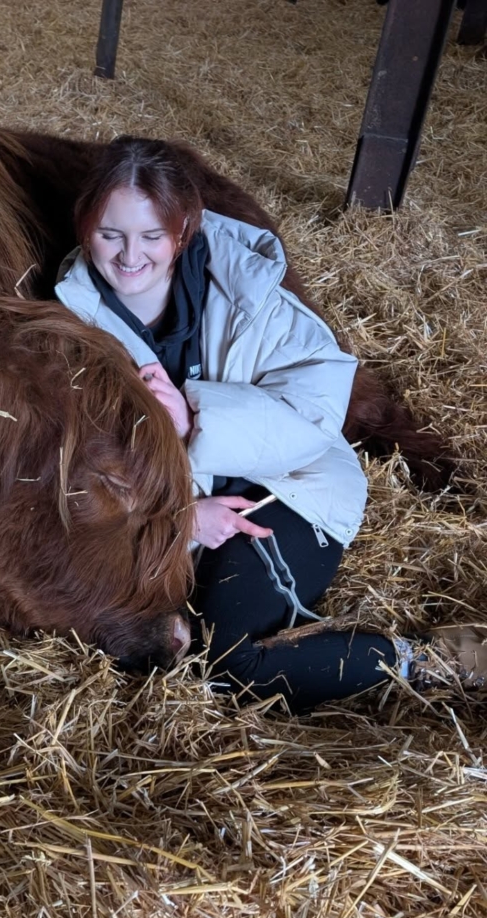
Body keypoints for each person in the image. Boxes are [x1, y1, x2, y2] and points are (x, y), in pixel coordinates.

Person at [54, 135, 486, 712]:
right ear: (86, 227)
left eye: (152, 235)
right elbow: (74, 467)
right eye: (111, 234)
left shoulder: (248, 288)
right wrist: (179, 520)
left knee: (229, 665)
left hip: (288, 485)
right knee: (156, 656)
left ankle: (446, 658)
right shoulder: (71, 319)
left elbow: (315, 413)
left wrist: (194, 417)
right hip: (184, 513)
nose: (131, 255)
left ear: (182, 230)